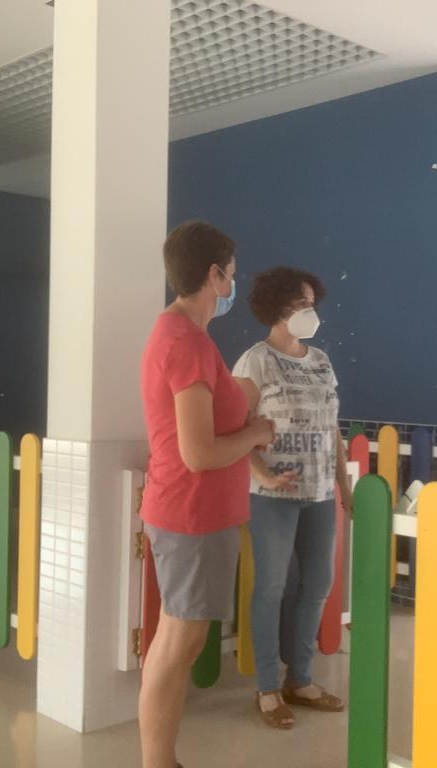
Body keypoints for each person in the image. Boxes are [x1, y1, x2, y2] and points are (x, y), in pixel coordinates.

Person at [138, 221, 275, 768]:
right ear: (213, 275)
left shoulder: (180, 335)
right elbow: (198, 453)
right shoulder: (187, 342)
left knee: (180, 640)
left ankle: (161, 759)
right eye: (231, 275)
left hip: (191, 512)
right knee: (177, 644)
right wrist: (255, 434)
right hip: (190, 514)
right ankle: (157, 761)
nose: (233, 285)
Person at [232, 267, 353, 730]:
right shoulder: (254, 362)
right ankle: (267, 687)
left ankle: (300, 679)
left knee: (318, 584)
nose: (311, 311)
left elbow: (332, 426)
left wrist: (343, 485)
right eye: (302, 303)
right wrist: (262, 472)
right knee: (271, 587)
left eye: (312, 303)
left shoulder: (320, 360)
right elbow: (236, 428)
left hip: (320, 493)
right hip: (271, 496)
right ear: (278, 307)